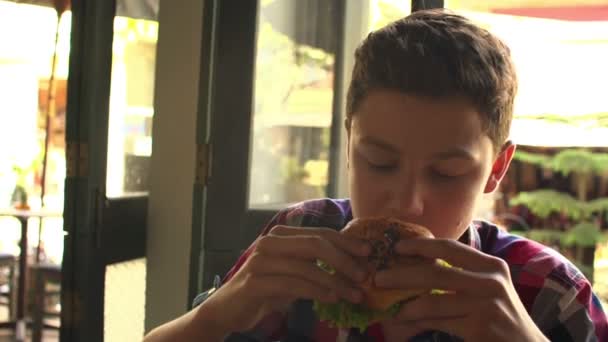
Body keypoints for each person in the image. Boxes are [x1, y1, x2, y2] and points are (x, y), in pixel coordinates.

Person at [144, 9, 608, 342]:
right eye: (379, 163)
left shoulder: (548, 293)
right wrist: (213, 317)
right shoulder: (300, 239)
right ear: (348, 145)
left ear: (496, 171)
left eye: (446, 173)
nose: (406, 202)